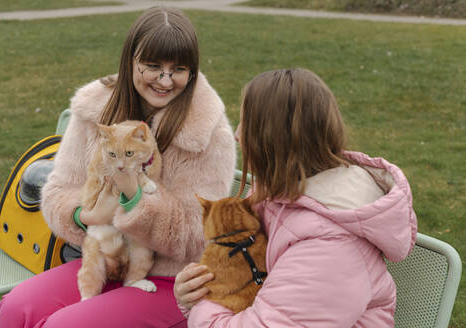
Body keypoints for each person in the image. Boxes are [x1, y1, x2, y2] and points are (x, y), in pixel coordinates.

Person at [0, 6, 236, 328]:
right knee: (16, 308)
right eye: (152, 66)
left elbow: (198, 236)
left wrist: (135, 199)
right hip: (102, 257)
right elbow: (58, 189)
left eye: (178, 69)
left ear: (192, 71)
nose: (165, 80)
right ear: (130, 62)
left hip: (172, 276)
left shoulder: (208, 132)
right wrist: (85, 215)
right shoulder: (94, 107)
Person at [174, 68, 417, 327]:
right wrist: (197, 291)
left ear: (273, 139)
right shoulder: (274, 194)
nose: (237, 134)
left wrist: (203, 306)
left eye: (247, 124)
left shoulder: (330, 246)